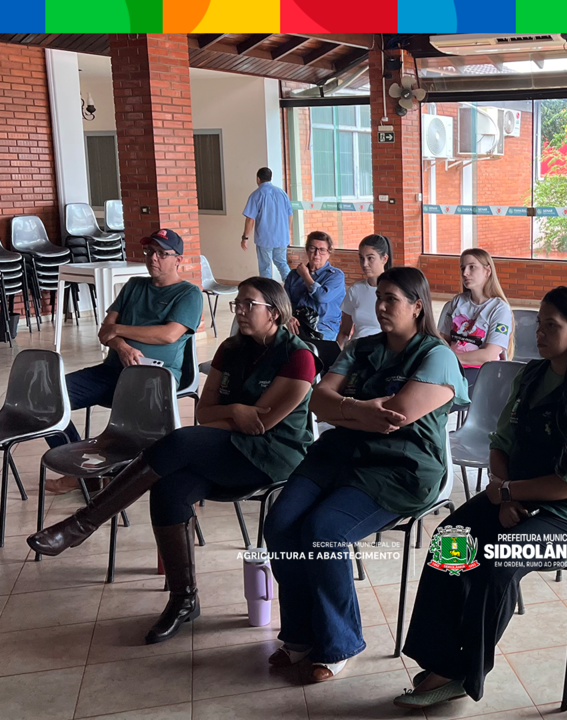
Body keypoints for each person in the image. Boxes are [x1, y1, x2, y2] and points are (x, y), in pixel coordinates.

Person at [27, 278, 318, 644]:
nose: (240, 310)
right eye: (238, 303)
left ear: (274, 312)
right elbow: (207, 413)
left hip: (274, 457)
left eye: (249, 304)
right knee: (168, 486)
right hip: (225, 449)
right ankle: (183, 600)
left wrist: (236, 415)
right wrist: (235, 410)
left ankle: (82, 524)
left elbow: (262, 424)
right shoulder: (230, 349)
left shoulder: (298, 357)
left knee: (179, 441)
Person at [393, 286, 567, 709]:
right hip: (520, 493)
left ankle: (464, 672)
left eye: (550, 326)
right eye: (537, 323)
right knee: (451, 536)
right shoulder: (531, 376)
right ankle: (439, 660)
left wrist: (508, 491)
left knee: (500, 559)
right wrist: (502, 497)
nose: (538, 332)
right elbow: (500, 441)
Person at [262, 267, 469, 683]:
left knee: (324, 531)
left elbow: (395, 417)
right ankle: (300, 636)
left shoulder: (436, 355)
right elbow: (319, 402)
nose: (380, 305)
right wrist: (358, 409)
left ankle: (338, 643)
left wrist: (347, 406)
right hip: (341, 454)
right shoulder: (362, 346)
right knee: (281, 523)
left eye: (391, 298)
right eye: (379, 297)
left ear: (417, 306)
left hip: (400, 467)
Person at [44, 228, 203, 494]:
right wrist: (121, 346)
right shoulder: (133, 286)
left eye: (162, 254)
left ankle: (121, 476)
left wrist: (120, 331)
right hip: (114, 371)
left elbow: (169, 335)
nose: (153, 258)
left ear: (178, 259)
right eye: (150, 252)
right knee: (47, 398)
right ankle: (85, 471)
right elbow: (105, 330)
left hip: (155, 379)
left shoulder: (188, 294)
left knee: (129, 430)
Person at [439, 248, 514, 402]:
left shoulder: (499, 309)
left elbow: (487, 356)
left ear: (487, 271)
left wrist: (448, 359)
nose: (465, 273)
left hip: (480, 372)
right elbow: (441, 340)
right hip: (450, 367)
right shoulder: (456, 303)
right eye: (462, 268)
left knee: (433, 400)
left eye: (472, 267)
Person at [284, 230, 345, 342]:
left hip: (323, 328)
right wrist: (288, 317)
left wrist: (306, 275)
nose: (317, 254)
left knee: (310, 351)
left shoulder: (336, 276)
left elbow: (321, 297)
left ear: (329, 253)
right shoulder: (294, 275)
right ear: (307, 250)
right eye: (313, 248)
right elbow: (283, 302)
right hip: (296, 326)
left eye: (322, 250)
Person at [337, 234, 393, 347]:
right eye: (361, 258)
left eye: (370, 258)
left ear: (384, 259)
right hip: (356, 349)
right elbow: (344, 332)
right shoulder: (355, 290)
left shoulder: (395, 291)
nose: (364, 264)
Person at [241, 167, 293, 281]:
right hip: (281, 238)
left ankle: (267, 293)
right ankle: (292, 288)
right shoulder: (282, 193)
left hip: (265, 239)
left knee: (265, 268)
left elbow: (250, 219)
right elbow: (290, 215)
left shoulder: (256, 195)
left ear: (258, 179)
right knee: (282, 264)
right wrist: (286, 232)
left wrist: (245, 237)